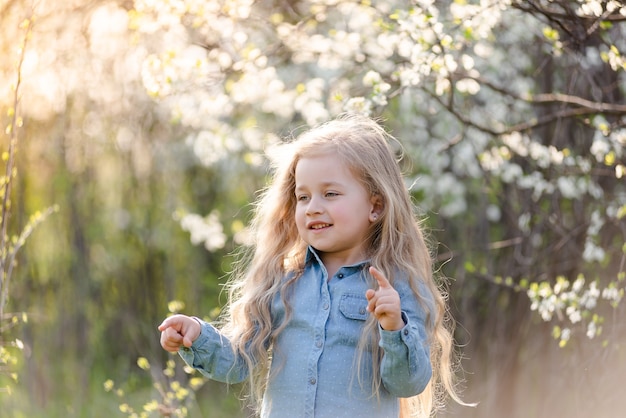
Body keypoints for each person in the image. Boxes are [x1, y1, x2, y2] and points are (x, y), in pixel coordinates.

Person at [159, 114, 467, 417]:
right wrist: (196, 335)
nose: (313, 208)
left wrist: (393, 326)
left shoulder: (397, 284)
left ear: (375, 205)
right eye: (303, 197)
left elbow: (406, 383)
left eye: (330, 194)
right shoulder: (283, 279)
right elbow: (238, 363)